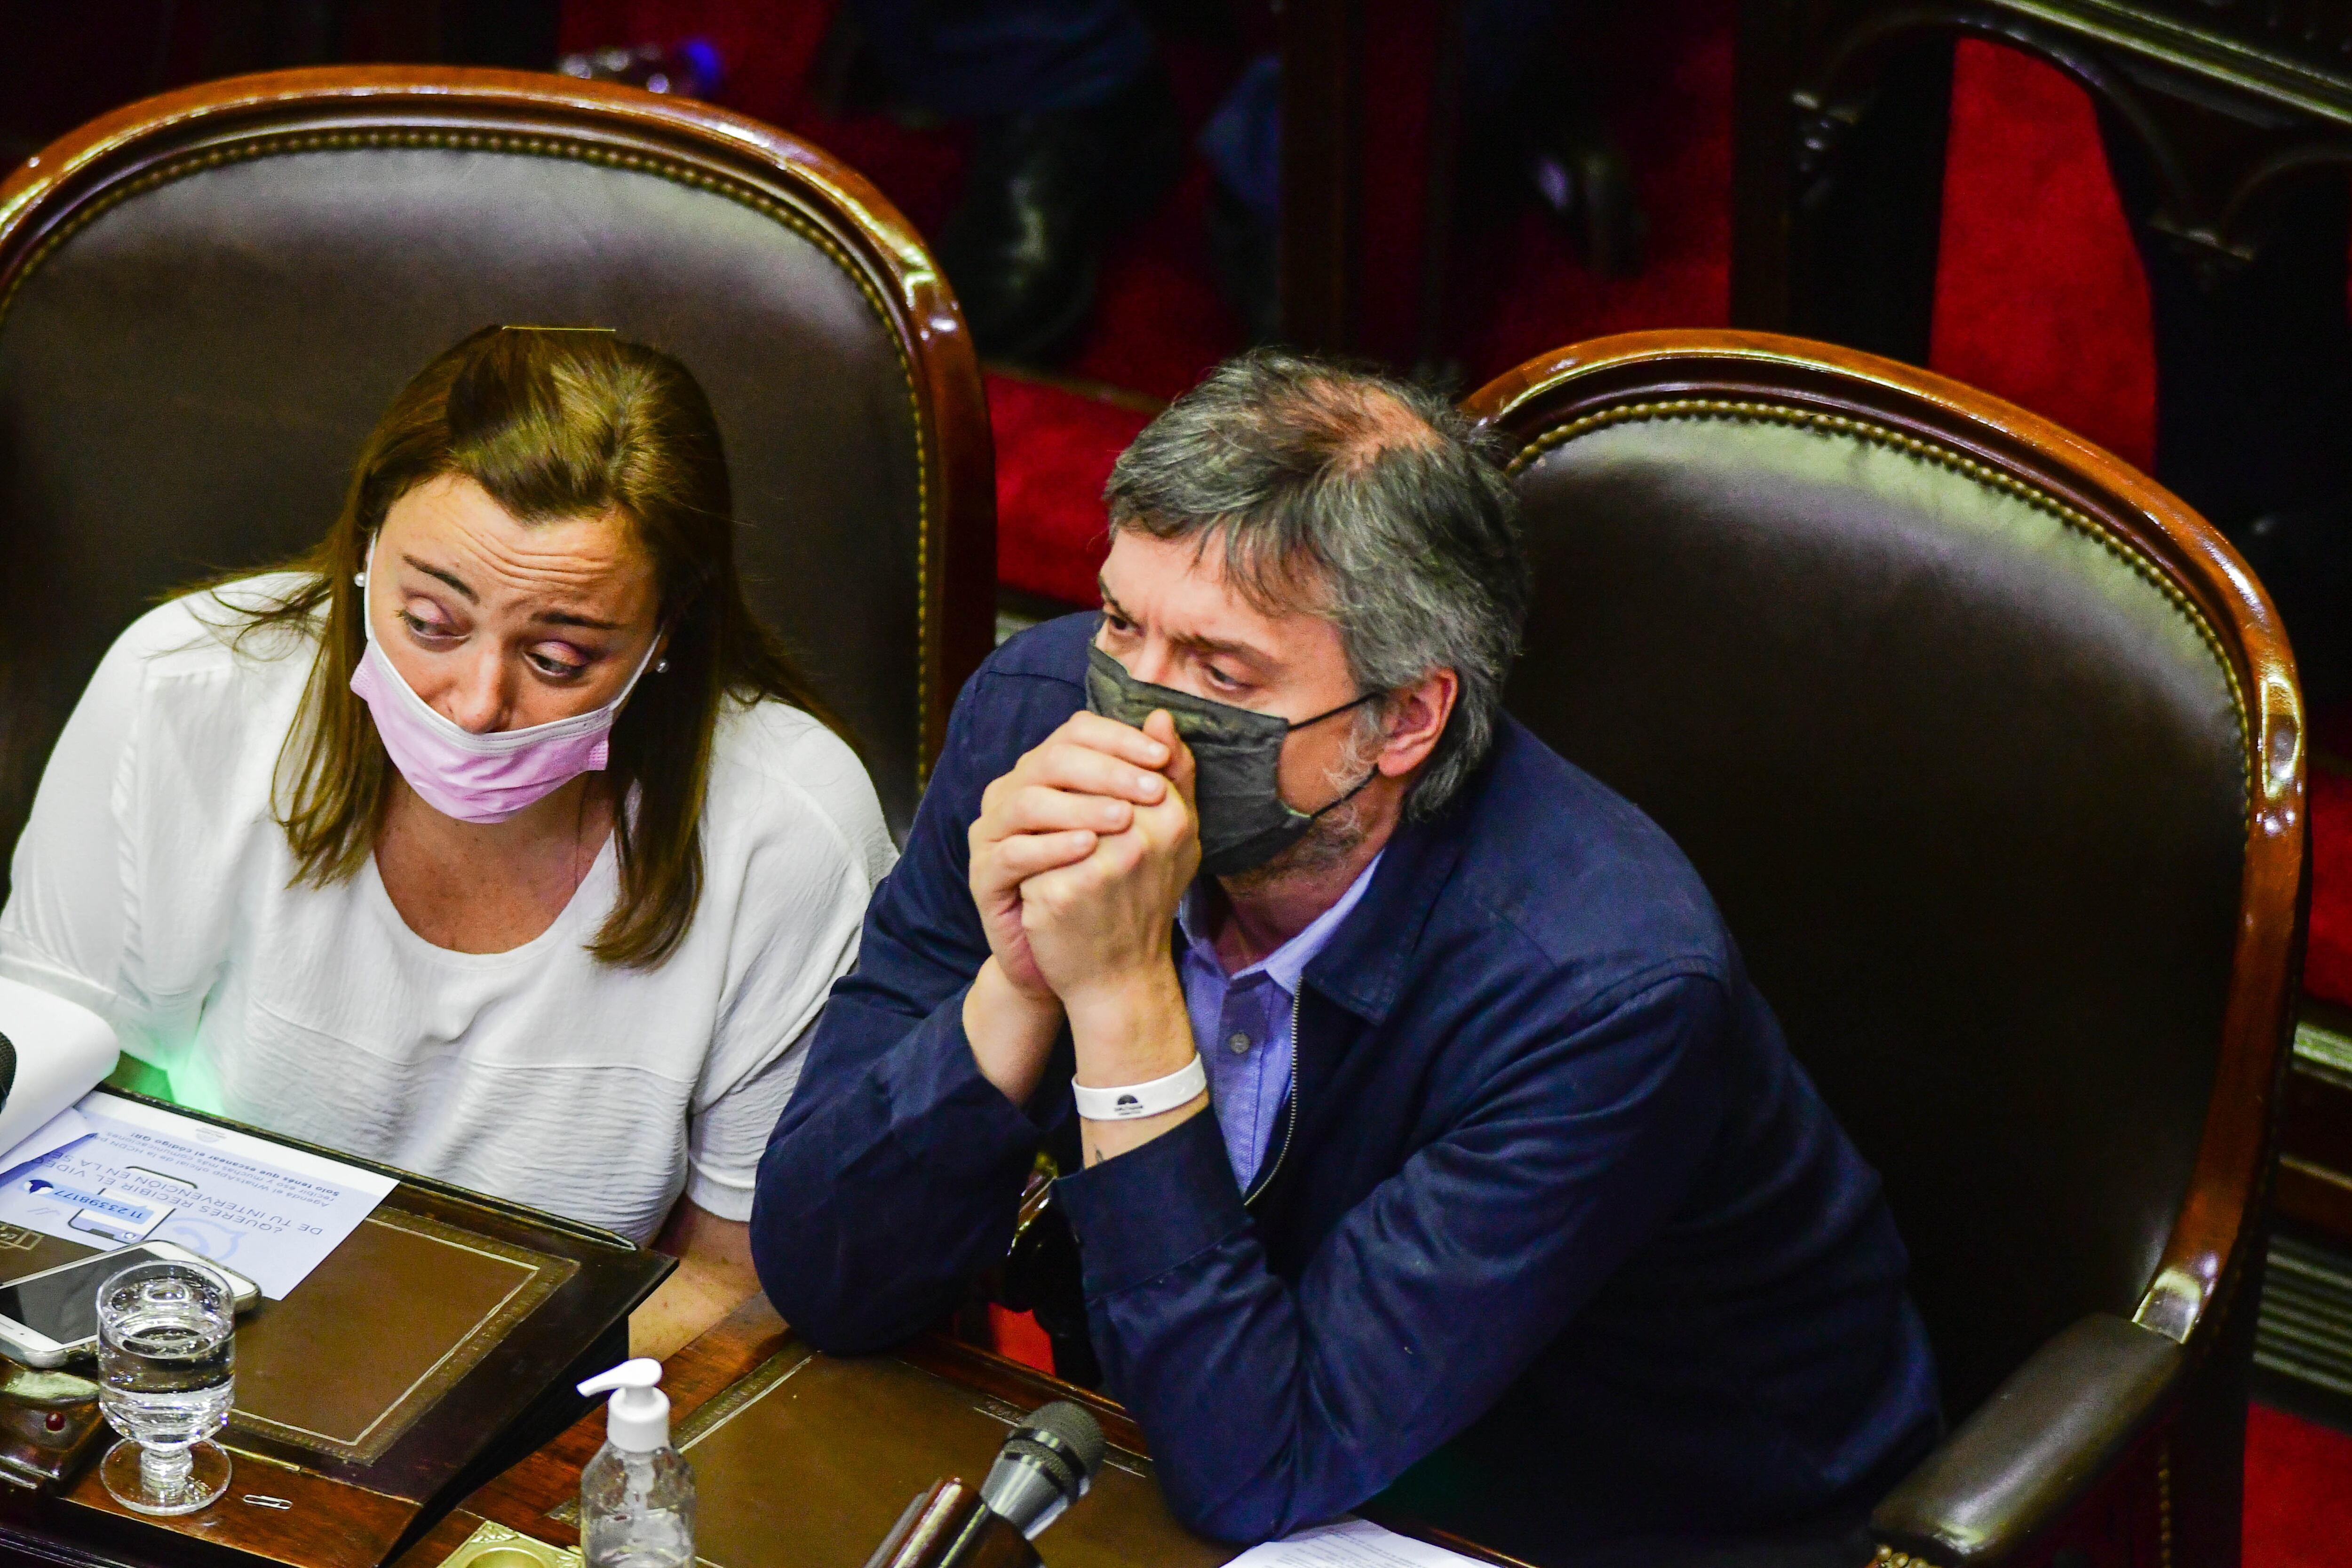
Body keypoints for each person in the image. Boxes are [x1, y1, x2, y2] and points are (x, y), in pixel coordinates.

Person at [752, 352, 1940, 1563]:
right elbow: (823, 1273)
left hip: (1608, 1521)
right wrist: (1016, 982)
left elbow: (1258, 1463)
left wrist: (1117, 997)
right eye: (1122, 621)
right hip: (1193, 1451)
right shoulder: (1035, 723)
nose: (1133, 722)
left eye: (1222, 673)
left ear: (1405, 721)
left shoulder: (1602, 989)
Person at [0, 326, 893, 1360]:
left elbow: (732, 1279)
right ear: (368, 545)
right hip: (176, 1343)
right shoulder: (182, 689)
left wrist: (460, 1444)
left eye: (559, 656)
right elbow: (48, 1118)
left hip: (558, 1394)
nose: (476, 704)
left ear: (665, 635)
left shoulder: (786, 830)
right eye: (429, 619)